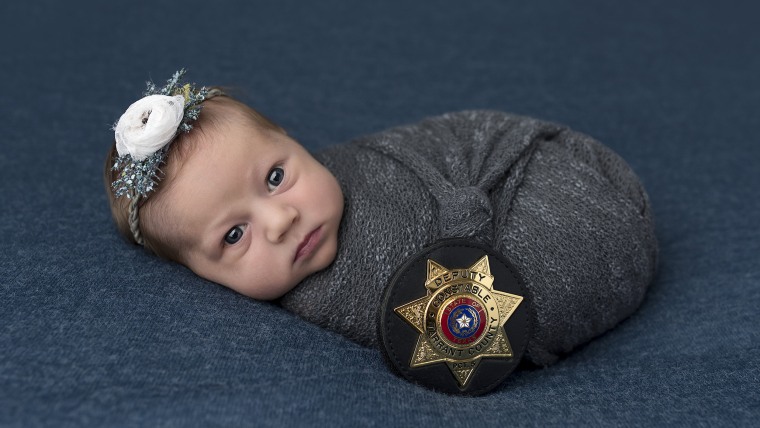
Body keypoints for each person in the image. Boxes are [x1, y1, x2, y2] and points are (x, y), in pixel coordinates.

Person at [105, 71, 657, 366]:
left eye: (276, 177)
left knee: (557, 250)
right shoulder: (313, 301)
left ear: (297, 142)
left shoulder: (369, 168)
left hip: (544, 176)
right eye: (233, 235)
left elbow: (461, 150)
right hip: (513, 271)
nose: (279, 221)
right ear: (197, 273)